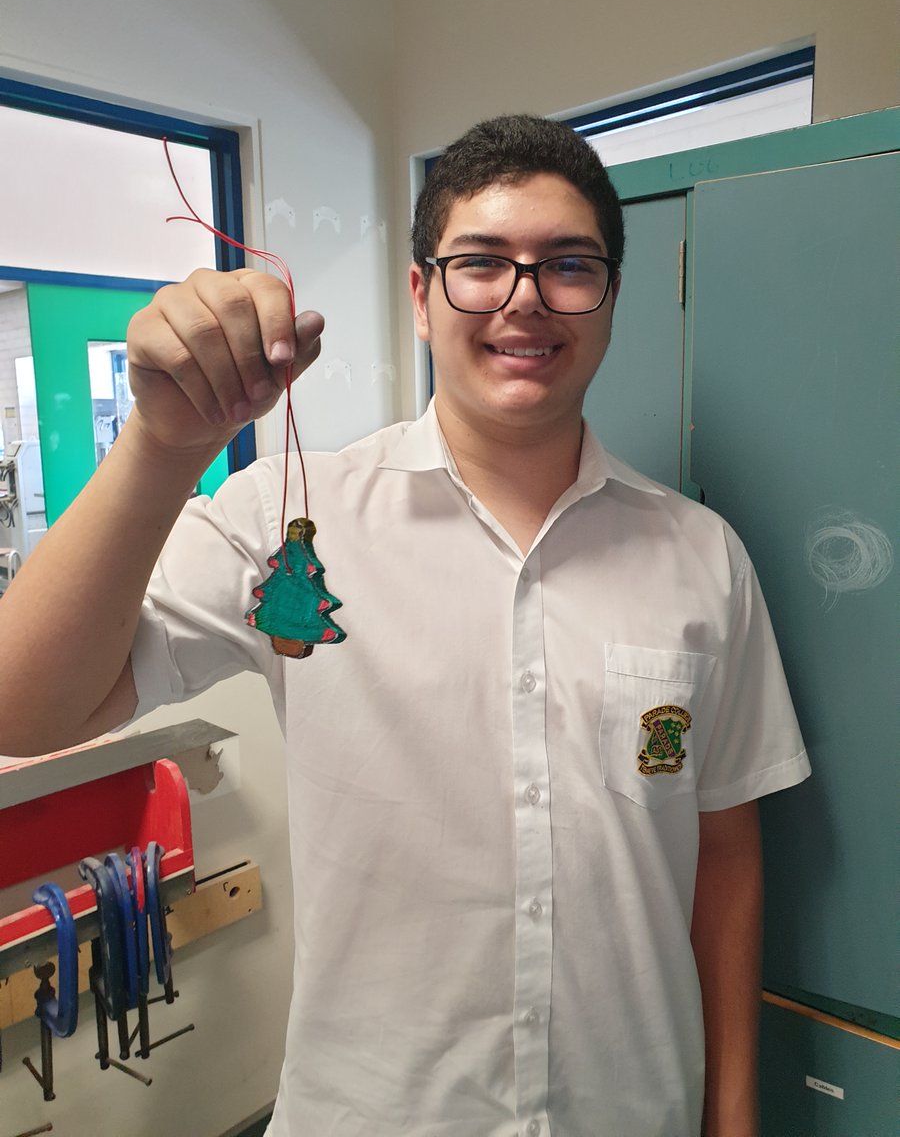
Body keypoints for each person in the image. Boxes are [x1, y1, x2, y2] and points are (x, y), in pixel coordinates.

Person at [0, 114, 810, 1136]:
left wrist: (731, 1120)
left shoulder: (702, 558)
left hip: (631, 1108)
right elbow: (22, 710)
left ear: (609, 298)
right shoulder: (292, 520)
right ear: (423, 298)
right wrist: (164, 446)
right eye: (481, 263)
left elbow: (726, 850)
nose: (524, 298)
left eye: (568, 264)